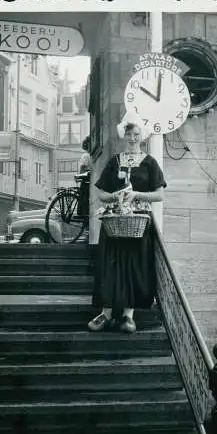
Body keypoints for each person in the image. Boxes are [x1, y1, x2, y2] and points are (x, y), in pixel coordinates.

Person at [88, 115, 167, 334]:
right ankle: (106, 313)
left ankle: (128, 316)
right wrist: (118, 197)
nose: (132, 138)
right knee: (109, 265)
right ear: (124, 136)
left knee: (134, 266)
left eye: (136, 134)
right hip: (114, 220)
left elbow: (159, 195)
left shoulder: (150, 162)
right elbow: (102, 194)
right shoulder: (114, 161)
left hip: (139, 222)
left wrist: (136, 195)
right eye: (129, 134)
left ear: (142, 137)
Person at [77, 136, 91, 218]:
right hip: (86, 180)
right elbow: (82, 169)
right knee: (85, 200)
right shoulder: (86, 156)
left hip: (87, 179)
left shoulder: (89, 155)